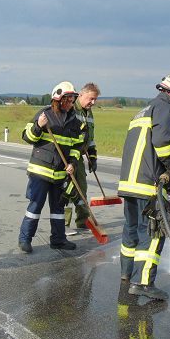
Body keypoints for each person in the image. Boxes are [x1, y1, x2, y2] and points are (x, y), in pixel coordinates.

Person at [117, 73, 170, 300]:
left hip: (129, 183)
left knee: (132, 230)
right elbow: (161, 143)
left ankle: (127, 275)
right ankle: (144, 283)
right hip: (147, 183)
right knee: (154, 233)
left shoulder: (145, 109)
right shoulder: (164, 106)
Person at [18, 81, 85, 253]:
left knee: (58, 209)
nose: (71, 103)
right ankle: (25, 239)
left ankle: (58, 240)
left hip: (60, 173)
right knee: (35, 206)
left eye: (72, 100)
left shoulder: (74, 121)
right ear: (58, 99)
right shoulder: (44, 114)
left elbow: (77, 147)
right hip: (40, 172)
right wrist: (38, 126)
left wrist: (72, 163)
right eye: (68, 99)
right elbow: (27, 137)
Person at [64, 83, 100, 235]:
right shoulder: (71, 109)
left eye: (95, 99)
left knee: (82, 188)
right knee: (67, 191)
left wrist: (92, 156)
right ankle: (63, 224)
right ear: (80, 95)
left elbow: (90, 138)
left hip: (79, 156)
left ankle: (82, 221)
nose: (93, 102)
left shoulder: (89, 113)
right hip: (67, 155)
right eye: (90, 99)